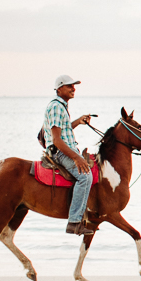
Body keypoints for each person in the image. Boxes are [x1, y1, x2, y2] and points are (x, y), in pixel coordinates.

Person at [43, 75, 93, 235]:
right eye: (70, 86)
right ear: (59, 89)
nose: (74, 89)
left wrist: (77, 122)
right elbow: (57, 140)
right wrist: (77, 158)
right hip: (60, 153)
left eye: (74, 86)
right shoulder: (57, 107)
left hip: (64, 151)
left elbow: (63, 130)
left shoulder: (61, 106)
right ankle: (74, 221)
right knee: (85, 177)